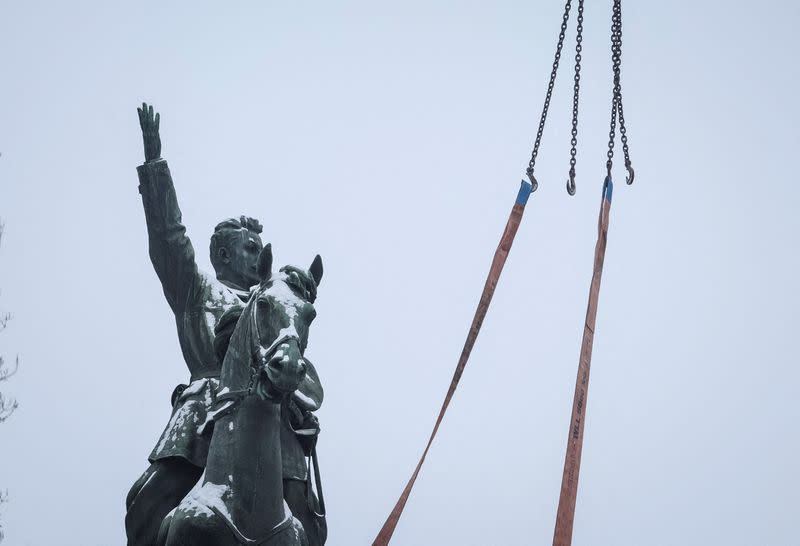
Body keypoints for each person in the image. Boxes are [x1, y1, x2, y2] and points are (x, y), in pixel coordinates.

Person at [126, 103, 325, 546]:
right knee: (147, 502)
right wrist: (155, 166)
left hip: (275, 417)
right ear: (222, 255)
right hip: (205, 411)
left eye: (259, 248)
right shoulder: (197, 290)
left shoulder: (273, 302)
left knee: (307, 518)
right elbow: (168, 238)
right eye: (249, 247)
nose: (258, 256)